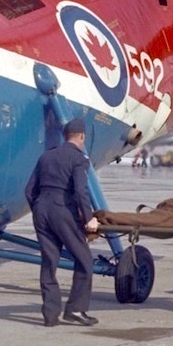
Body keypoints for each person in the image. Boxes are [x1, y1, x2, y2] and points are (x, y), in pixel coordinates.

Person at [25, 118, 102, 327]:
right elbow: (80, 191)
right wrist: (89, 219)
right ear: (82, 136)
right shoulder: (79, 159)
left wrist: (40, 210)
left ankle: (50, 315)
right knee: (85, 260)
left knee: (49, 262)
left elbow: (29, 190)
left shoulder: (46, 156)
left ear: (65, 136)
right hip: (62, 209)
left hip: (41, 209)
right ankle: (76, 310)